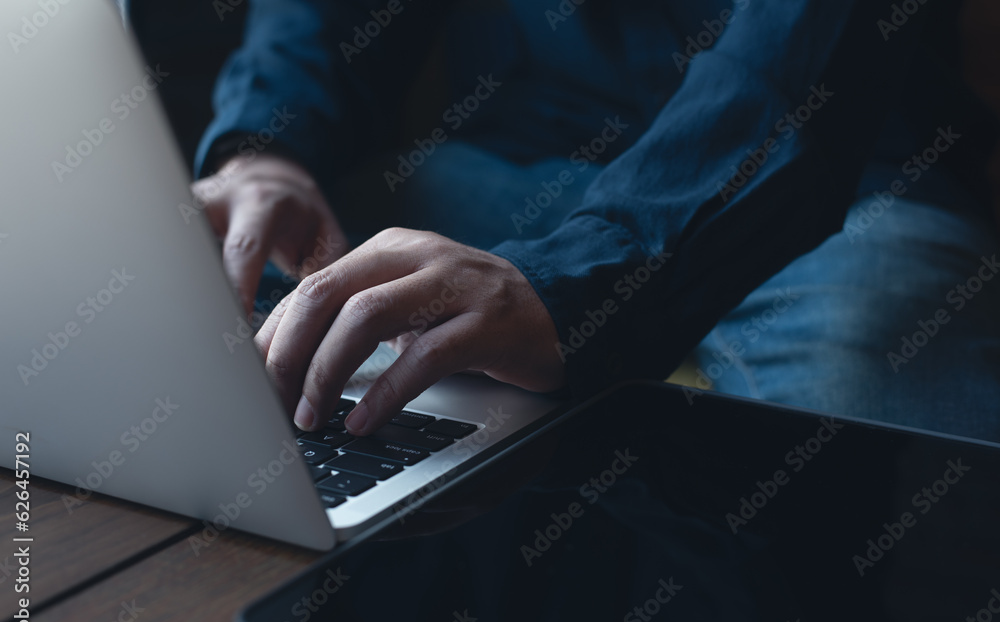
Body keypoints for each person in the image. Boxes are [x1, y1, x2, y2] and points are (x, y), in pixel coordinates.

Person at [191, 0, 1000, 442]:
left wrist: (578, 280)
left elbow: (798, 77)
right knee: (262, 284)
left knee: (879, 373)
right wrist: (268, 145)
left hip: (836, 193)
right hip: (509, 168)